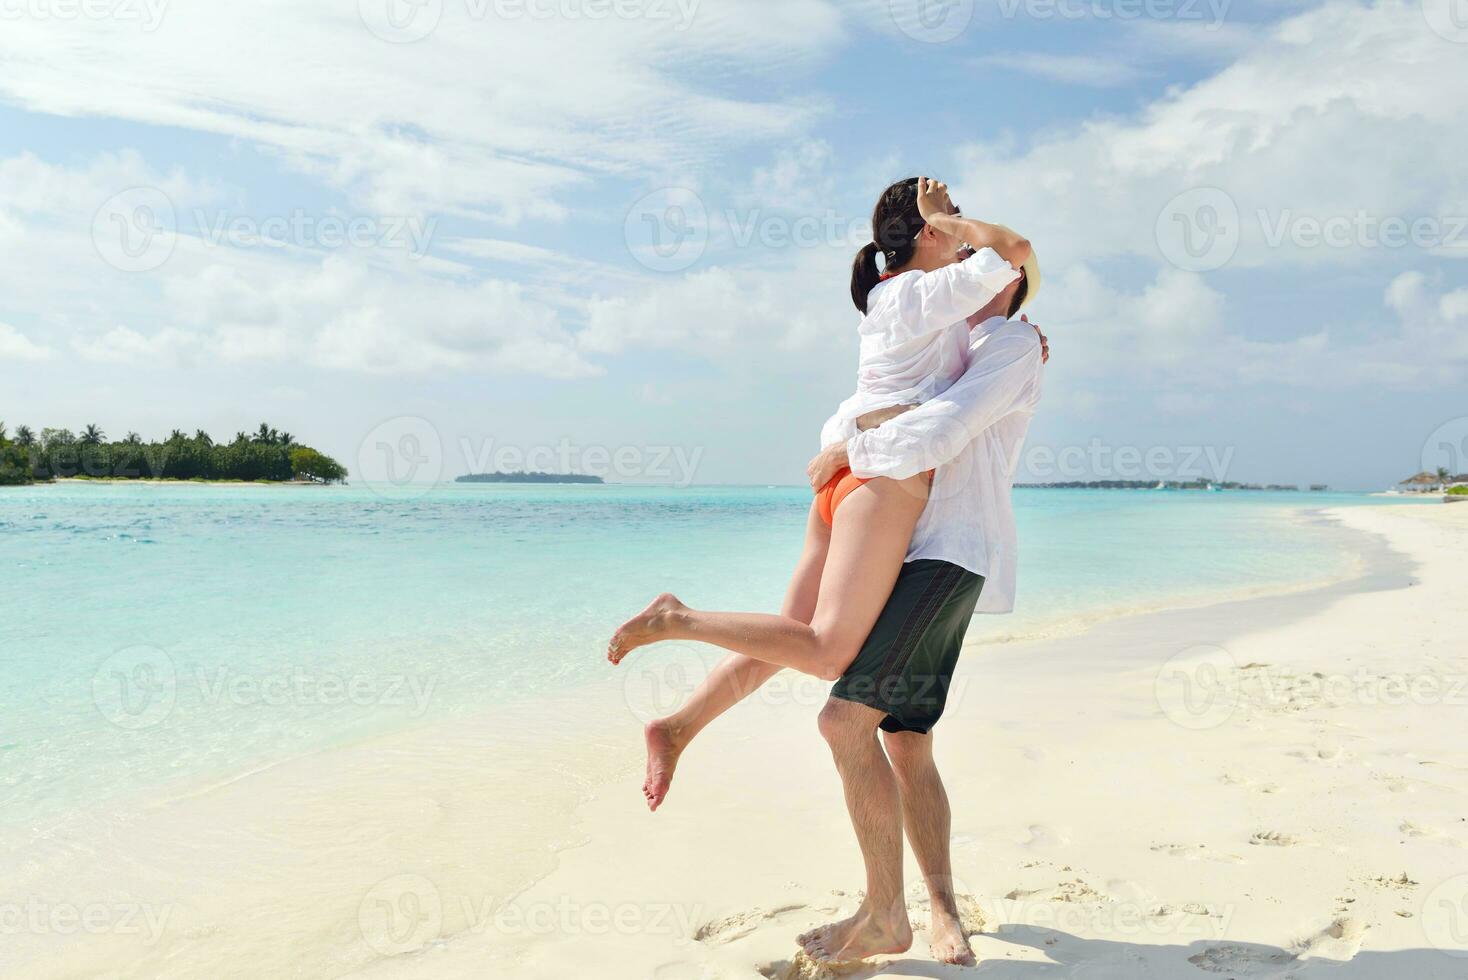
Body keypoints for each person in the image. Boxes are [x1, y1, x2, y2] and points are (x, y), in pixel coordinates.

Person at [607, 178, 1032, 812]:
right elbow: (1015, 248)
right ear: (928, 234)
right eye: (951, 226)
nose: (965, 238)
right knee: (827, 652)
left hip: (843, 483)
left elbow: (934, 379)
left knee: (786, 635)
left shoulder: (895, 303)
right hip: (878, 486)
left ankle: (678, 727)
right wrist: (947, 217)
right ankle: (677, 619)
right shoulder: (918, 291)